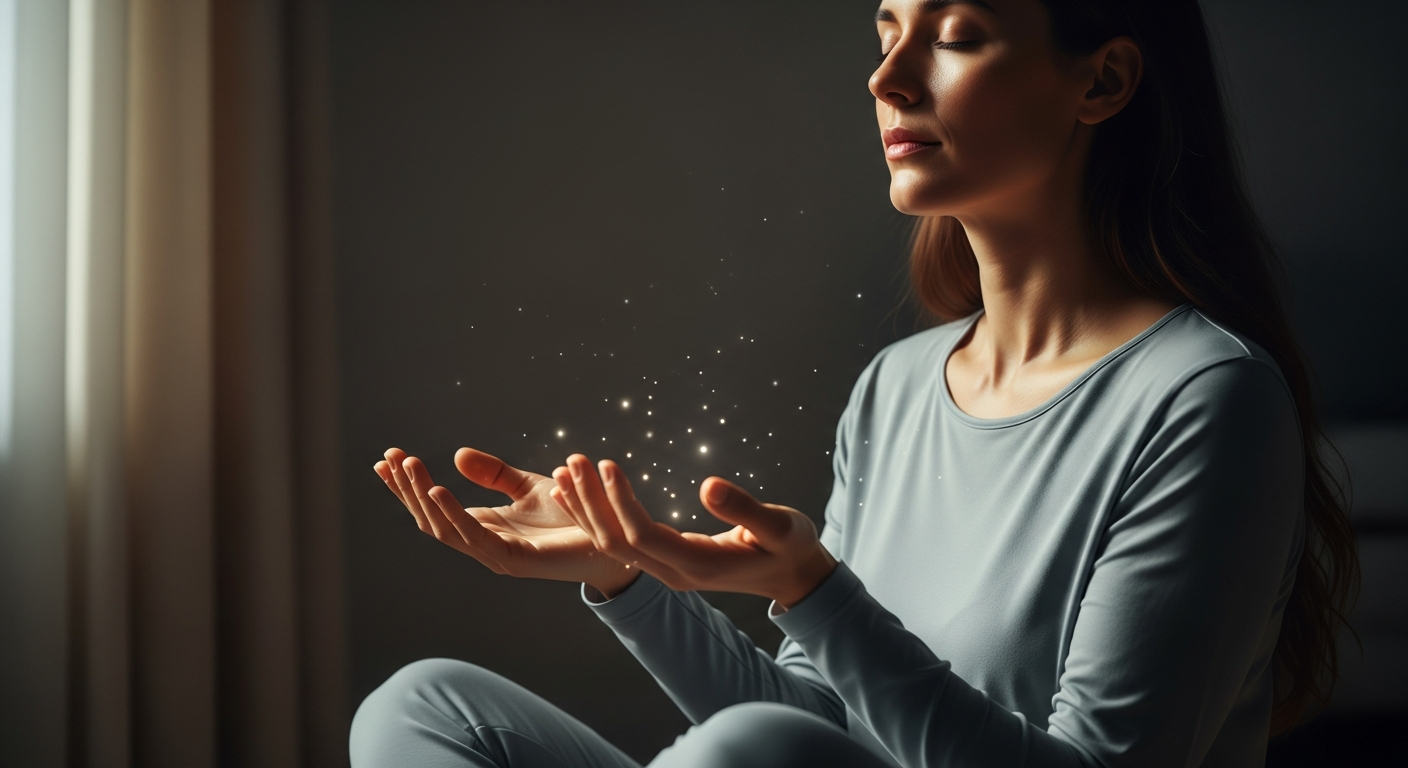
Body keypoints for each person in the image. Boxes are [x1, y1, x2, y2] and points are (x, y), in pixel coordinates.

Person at [350, 1, 1359, 766]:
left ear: (1099, 83)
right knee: (421, 705)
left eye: (954, 36)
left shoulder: (1203, 396)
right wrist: (622, 573)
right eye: (886, 28)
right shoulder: (900, 385)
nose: (887, 77)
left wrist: (812, 589)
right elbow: (814, 725)